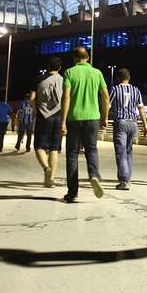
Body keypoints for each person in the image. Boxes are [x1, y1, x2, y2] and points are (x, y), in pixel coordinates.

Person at [60, 46, 110, 202]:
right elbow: (106, 97)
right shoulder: (97, 73)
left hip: (74, 119)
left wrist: (63, 121)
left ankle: (72, 193)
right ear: (87, 57)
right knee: (92, 150)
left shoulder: (69, 72)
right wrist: (104, 117)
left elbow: (66, 97)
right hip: (93, 118)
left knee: (72, 155)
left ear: (75, 58)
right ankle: (94, 175)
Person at [109, 68, 147, 191]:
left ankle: (124, 180)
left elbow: (108, 104)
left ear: (118, 78)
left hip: (120, 122)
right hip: (133, 123)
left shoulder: (115, 89)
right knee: (128, 151)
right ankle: (128, 176)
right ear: (129, 77)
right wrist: (145, 125)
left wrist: (104, 118)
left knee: (120, 152)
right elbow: (141, 108)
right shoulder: (136, 90)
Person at [34, 56, 64, 187]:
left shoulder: (40, 79)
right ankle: (50, 180)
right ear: (60, 68)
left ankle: (46, 168)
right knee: (54, 148)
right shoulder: (64, 80)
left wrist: (36, 108)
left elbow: (33, 98)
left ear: (48, 67)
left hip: (43, 116)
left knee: (39, 146)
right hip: (58, 116)